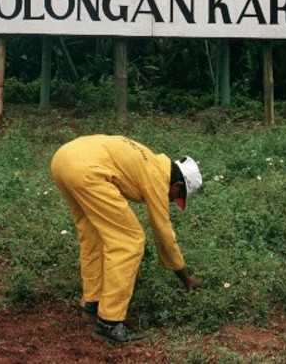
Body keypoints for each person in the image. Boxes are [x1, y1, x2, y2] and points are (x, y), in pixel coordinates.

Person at [50, 134, 202, 344]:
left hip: (63, 159)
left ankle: (92, 304)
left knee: (93, 234)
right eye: (176, 196)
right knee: (129, 240)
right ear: (176, 185)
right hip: (86, 169)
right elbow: (163, 232)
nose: (172, 200)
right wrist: (186, 279)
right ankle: (110, 323)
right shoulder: (158, 177)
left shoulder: (151, 161)